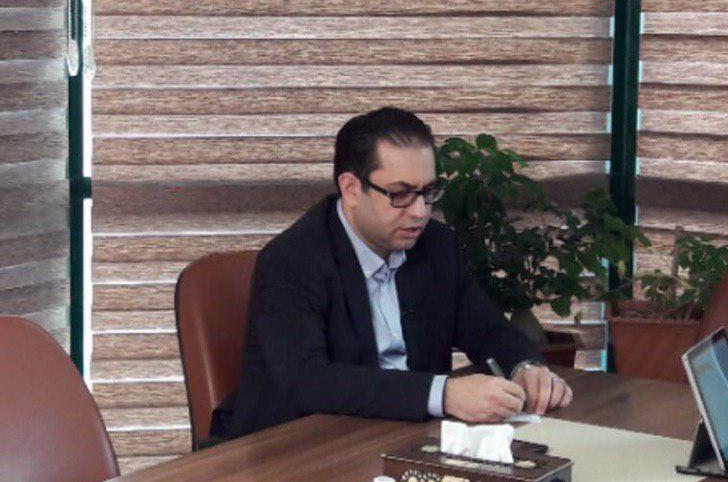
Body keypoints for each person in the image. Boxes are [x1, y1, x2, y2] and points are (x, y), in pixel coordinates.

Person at [215, 107, 572, 440]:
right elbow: (308, 381)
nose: (419, 212)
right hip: (300, 447)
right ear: (351, 189)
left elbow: (487, 329)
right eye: (400, 194)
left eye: (428, 192)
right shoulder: (292, 260)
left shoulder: (436, 245)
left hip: (402, 437)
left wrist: (524, 366)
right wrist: (442, 394)